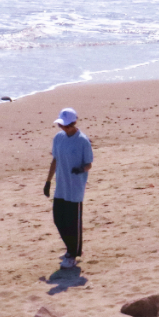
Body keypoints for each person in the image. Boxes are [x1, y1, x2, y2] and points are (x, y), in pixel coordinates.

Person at [42, 108, 93, 270]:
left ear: (73, 123)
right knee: (59, 220)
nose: (63, 128)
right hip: (61, 187)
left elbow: (89, 164)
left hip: (75, 188)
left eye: (66, 125)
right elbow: (55, 160)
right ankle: (70, 249)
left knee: (73, 223)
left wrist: (80, 169)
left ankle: (72, 253)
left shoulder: (83, 141)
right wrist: (48, 181)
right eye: (61, 125)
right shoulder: (58, 138)